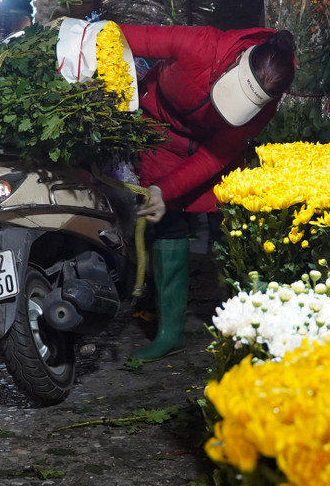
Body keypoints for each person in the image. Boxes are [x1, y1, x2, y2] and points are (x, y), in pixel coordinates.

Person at [118, 26, 296, 359]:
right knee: (166, 222)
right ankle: (169, 332)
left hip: (207, 155)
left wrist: (164, 189)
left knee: (227, 229)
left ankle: (250, 329)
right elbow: (120, 37)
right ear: (236, 63)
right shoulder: (198, 46)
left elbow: (213, 156)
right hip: (159, 134)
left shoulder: (264, 106)